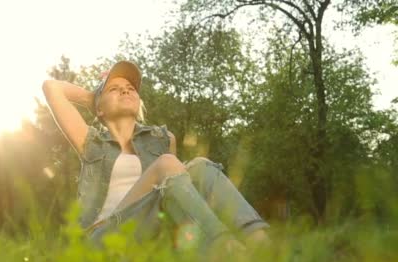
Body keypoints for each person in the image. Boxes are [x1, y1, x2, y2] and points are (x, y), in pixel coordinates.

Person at [42, 60, 269, 251]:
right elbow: (51, 87)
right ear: (99, 108)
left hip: (147, 231)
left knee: (199, 165)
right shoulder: (91, 142)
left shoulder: (163, 139)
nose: (126, 89)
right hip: (102, 238)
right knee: (167, 164)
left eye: (131, 87)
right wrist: (93, 97)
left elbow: (178, 199)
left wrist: (108, 91)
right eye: (114, 88)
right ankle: (226, 251)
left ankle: (261, 245)